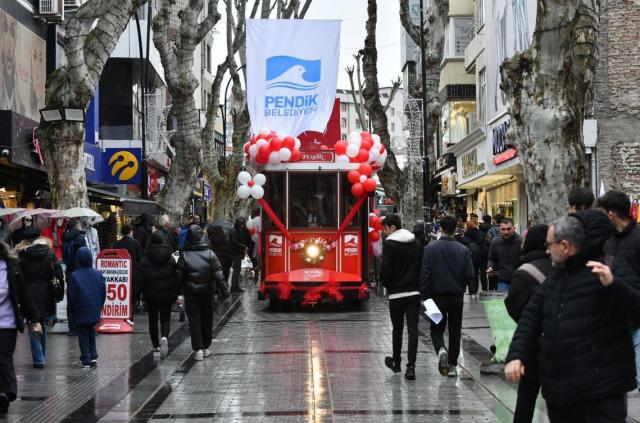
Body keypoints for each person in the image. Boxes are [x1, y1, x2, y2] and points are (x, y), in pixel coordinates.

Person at [505, 211, 640, 422]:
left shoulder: (608, 269)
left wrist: (614, 285)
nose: (547, 251)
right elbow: (530, 319)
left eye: (550, 245)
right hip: (561, 394)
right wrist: (516, 355)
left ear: (566, 246)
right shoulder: (555, 279)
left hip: (600, 393)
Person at [504, 224, 553, 423]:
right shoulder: (562, 267)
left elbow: (512, 304)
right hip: (558, 344)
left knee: (526, 396)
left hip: (533, 345)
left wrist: (529, 327)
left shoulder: (524, 271)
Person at [419, 215, 474, 378]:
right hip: (456, 297)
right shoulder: (463, 250)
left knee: (436, 328)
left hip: (435, 297)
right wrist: (462, 285)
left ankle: (441, 349)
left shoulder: (430, 249)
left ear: (440, 228)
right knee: (455, 331)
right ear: (456, 228)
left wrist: (425, 295)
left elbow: (425, 274)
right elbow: (470, 274)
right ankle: (451, 365)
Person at [597, 190, 640, 392]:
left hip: (638, 321)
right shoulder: (607, 241)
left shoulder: (638, 238)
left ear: (611, 214)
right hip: (614, 323)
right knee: (615, 383)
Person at [0, 240, 41, 415]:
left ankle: (6, 392)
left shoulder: (11, 267)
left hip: (7, 323)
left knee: (4, 357)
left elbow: (23, 294)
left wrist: (34, 318)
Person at [380, 214, 423, 381]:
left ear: (392, 227)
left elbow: (386, 270)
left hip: (396, 294)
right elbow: (421, 266)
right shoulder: (416, 243)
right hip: (414, 293)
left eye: (385, 228)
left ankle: (396, 362)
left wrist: (387, 284)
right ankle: (411, 366)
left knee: (397, 330)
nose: (384, 232)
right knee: (413, 330)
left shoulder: (390, 245)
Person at [15, 228, 64, 369]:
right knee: (41, 322)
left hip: (28, 293)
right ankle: (41, 354)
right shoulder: (49, 253)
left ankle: (39, 359)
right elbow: (58, 272)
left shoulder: (22, 255)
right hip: (46, 293)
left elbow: (18, 276)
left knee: (32, 322)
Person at [177, 225, 225, 361]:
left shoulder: (184, 255)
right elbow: (219, 275)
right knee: (207, 319)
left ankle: (197, 348)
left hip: (191, 293)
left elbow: (178, 276)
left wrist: (177, 293)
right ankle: (205, 347)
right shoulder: (210, 254)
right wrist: (225, 293)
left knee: (194, 321)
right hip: (207, 292)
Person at [139, 232, 179, 356]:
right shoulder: (170, 257)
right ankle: (165, 337)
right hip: (167, 292)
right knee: (165, 318)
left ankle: (156, 347)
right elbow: (175, 275)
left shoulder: (145, 258)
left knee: (152, 319)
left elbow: (141, 277)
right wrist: (175, 291)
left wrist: (139, 293)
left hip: (150, 294)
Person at [67, 247, 106, 368]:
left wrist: (71, 309)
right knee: (91, 331)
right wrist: (99, 304)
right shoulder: (98, 273)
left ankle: (86, 358)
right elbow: (103, 292)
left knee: (83, 333)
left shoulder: (74, 276)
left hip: (80, 308)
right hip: (94, 307)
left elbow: (72, 296)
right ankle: (93, 356)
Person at [62, 219, 87, 336]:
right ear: (77, 227)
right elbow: (85, 255)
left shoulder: (65, 238)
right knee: (82, 298)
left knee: (71, 300)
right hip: (81, 272)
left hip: (69, 272)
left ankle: (72, 328)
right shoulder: (80, 239)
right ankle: (81, 325)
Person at [112, 224, 145, 313]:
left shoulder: (117, 244)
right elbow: (141, 258)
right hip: (134, 272)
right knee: (132, 293)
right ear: (131, 232)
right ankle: (131, 306)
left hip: (121, 273)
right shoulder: (136, 243)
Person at [486, 218, 522, 291]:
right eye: (503, 229)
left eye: (508, 229)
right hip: (502, 280)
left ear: (514, 228)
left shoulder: (521, 241)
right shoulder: (496, 242)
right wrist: (490, 267)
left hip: (518, 280)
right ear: (500, 229)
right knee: (502, 301)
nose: (506, 232)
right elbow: (492, 258)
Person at [459, 221, 482, 296]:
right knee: (476, 272)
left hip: (469, 256)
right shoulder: (479, 233)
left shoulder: (466, 235)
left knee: (470, 273)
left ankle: (472, 291)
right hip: (477, 255)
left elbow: (462, 245)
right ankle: (476, 289)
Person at [229, 218, 249, 293]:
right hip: (235, 253)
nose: (242, 225)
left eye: (243, 224)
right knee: (236, 270)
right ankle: (234, 287)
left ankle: (235, 286)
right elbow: (234, 242)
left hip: (238, 252)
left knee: (237, 270)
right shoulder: (234, 231)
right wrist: (244, 246)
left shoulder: (238, 230)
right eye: (241, 224)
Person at [478, 215, 493, 291]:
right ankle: (491, 286)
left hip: (482, 252)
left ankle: (484, 288)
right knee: (491, 269)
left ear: (483, 220)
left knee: (483, 271)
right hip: (491, 251)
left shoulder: (480, 229)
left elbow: (479, 241)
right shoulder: (492, 228)